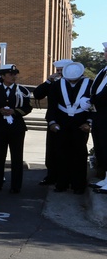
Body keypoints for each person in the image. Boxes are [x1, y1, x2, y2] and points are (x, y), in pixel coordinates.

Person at [45, 62, 93, 194]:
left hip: (80, 124)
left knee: (80, 155)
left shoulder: (90, 84)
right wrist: (52, 122)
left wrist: (89, 123)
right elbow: (52, 105)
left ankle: (78, 185)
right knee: (61, 155)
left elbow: (93, 106)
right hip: (62, 124)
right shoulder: (57, 85)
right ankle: (61, 184)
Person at [0, 64, 32, 194]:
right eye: (10, 74)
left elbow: (27, 107)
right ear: (2, 76)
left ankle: (16, 186)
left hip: (16, 129)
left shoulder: (22, 90)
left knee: (17, 158)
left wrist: (15, 112)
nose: (13, 77)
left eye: (15, 74)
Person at [31, 58, 72, 185]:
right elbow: (37, 94)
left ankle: (67, 178)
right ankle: (51, 176)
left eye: (62, 71)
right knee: (52, 150)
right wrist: (48, 81)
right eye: (58, 71)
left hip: (70, 120)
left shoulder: (75, 83)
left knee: (68, 150)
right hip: (54, 119)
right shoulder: (53, 83)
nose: (59, 73)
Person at [90, 42, 107, 191]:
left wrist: (91, 100)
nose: (104, 54)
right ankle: (105, 178)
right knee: (101, 146)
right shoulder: (103, 71)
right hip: (99, 114)